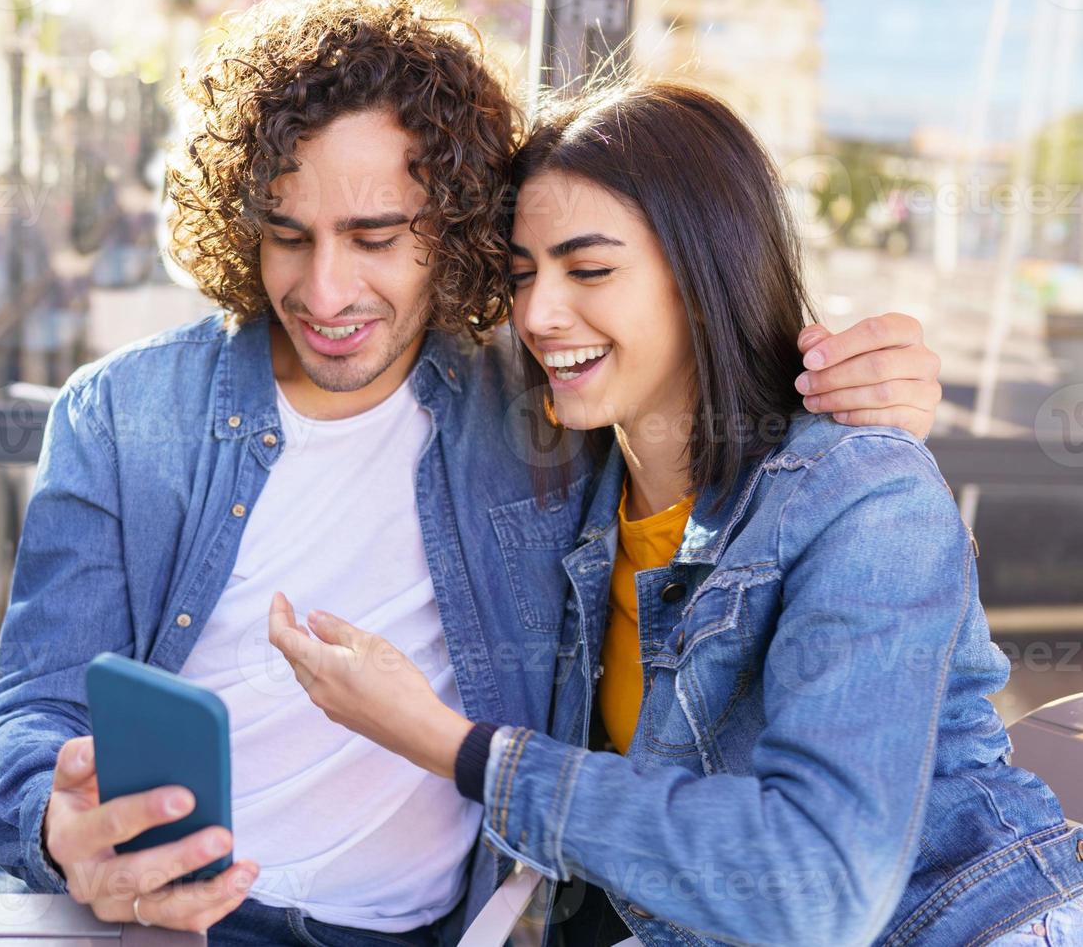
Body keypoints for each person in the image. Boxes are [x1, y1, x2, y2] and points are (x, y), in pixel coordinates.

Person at [0, 0, 945, 942]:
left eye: (375, 237)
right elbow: (32, 709)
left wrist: (838, 378)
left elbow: (685, 365)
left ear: (451, 230)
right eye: (289, 235)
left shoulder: (537, 409)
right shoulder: (123, 414)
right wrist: (58, 831)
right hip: (145, 922)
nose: (326, 288)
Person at [268, 80, 1083, 945]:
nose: (540, 314)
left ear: (703, 275)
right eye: (522, 275)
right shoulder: (577, 499)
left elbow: (816, 893)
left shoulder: (861, 493)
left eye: (590, 270)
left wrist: (450, 745)